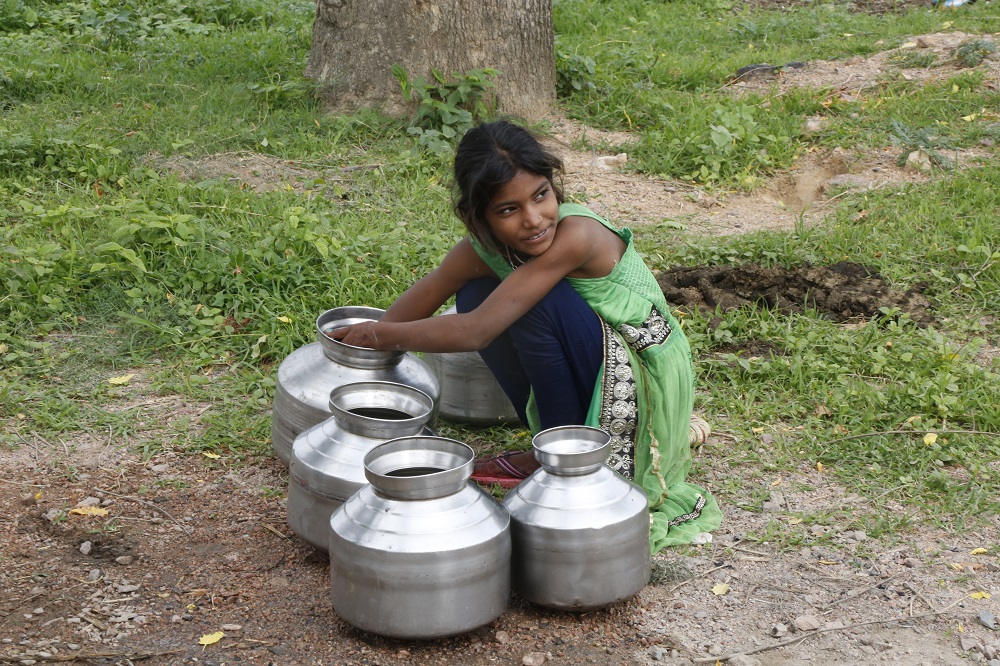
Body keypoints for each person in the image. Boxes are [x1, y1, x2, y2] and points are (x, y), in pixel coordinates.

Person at [332, 120, 721, 550]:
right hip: (594, 356)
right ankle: (551, 440)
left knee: (532, 303)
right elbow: (408, 312)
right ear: (476, 217)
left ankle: (562, 456)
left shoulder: (578, 236)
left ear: (554, 186)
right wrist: (359, 346)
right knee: (478, 290)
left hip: (644, 371)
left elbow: (476, 331)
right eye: (507, 209)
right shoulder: (480, 250)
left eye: (541, 195)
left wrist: (379, 336)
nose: (534, 220)